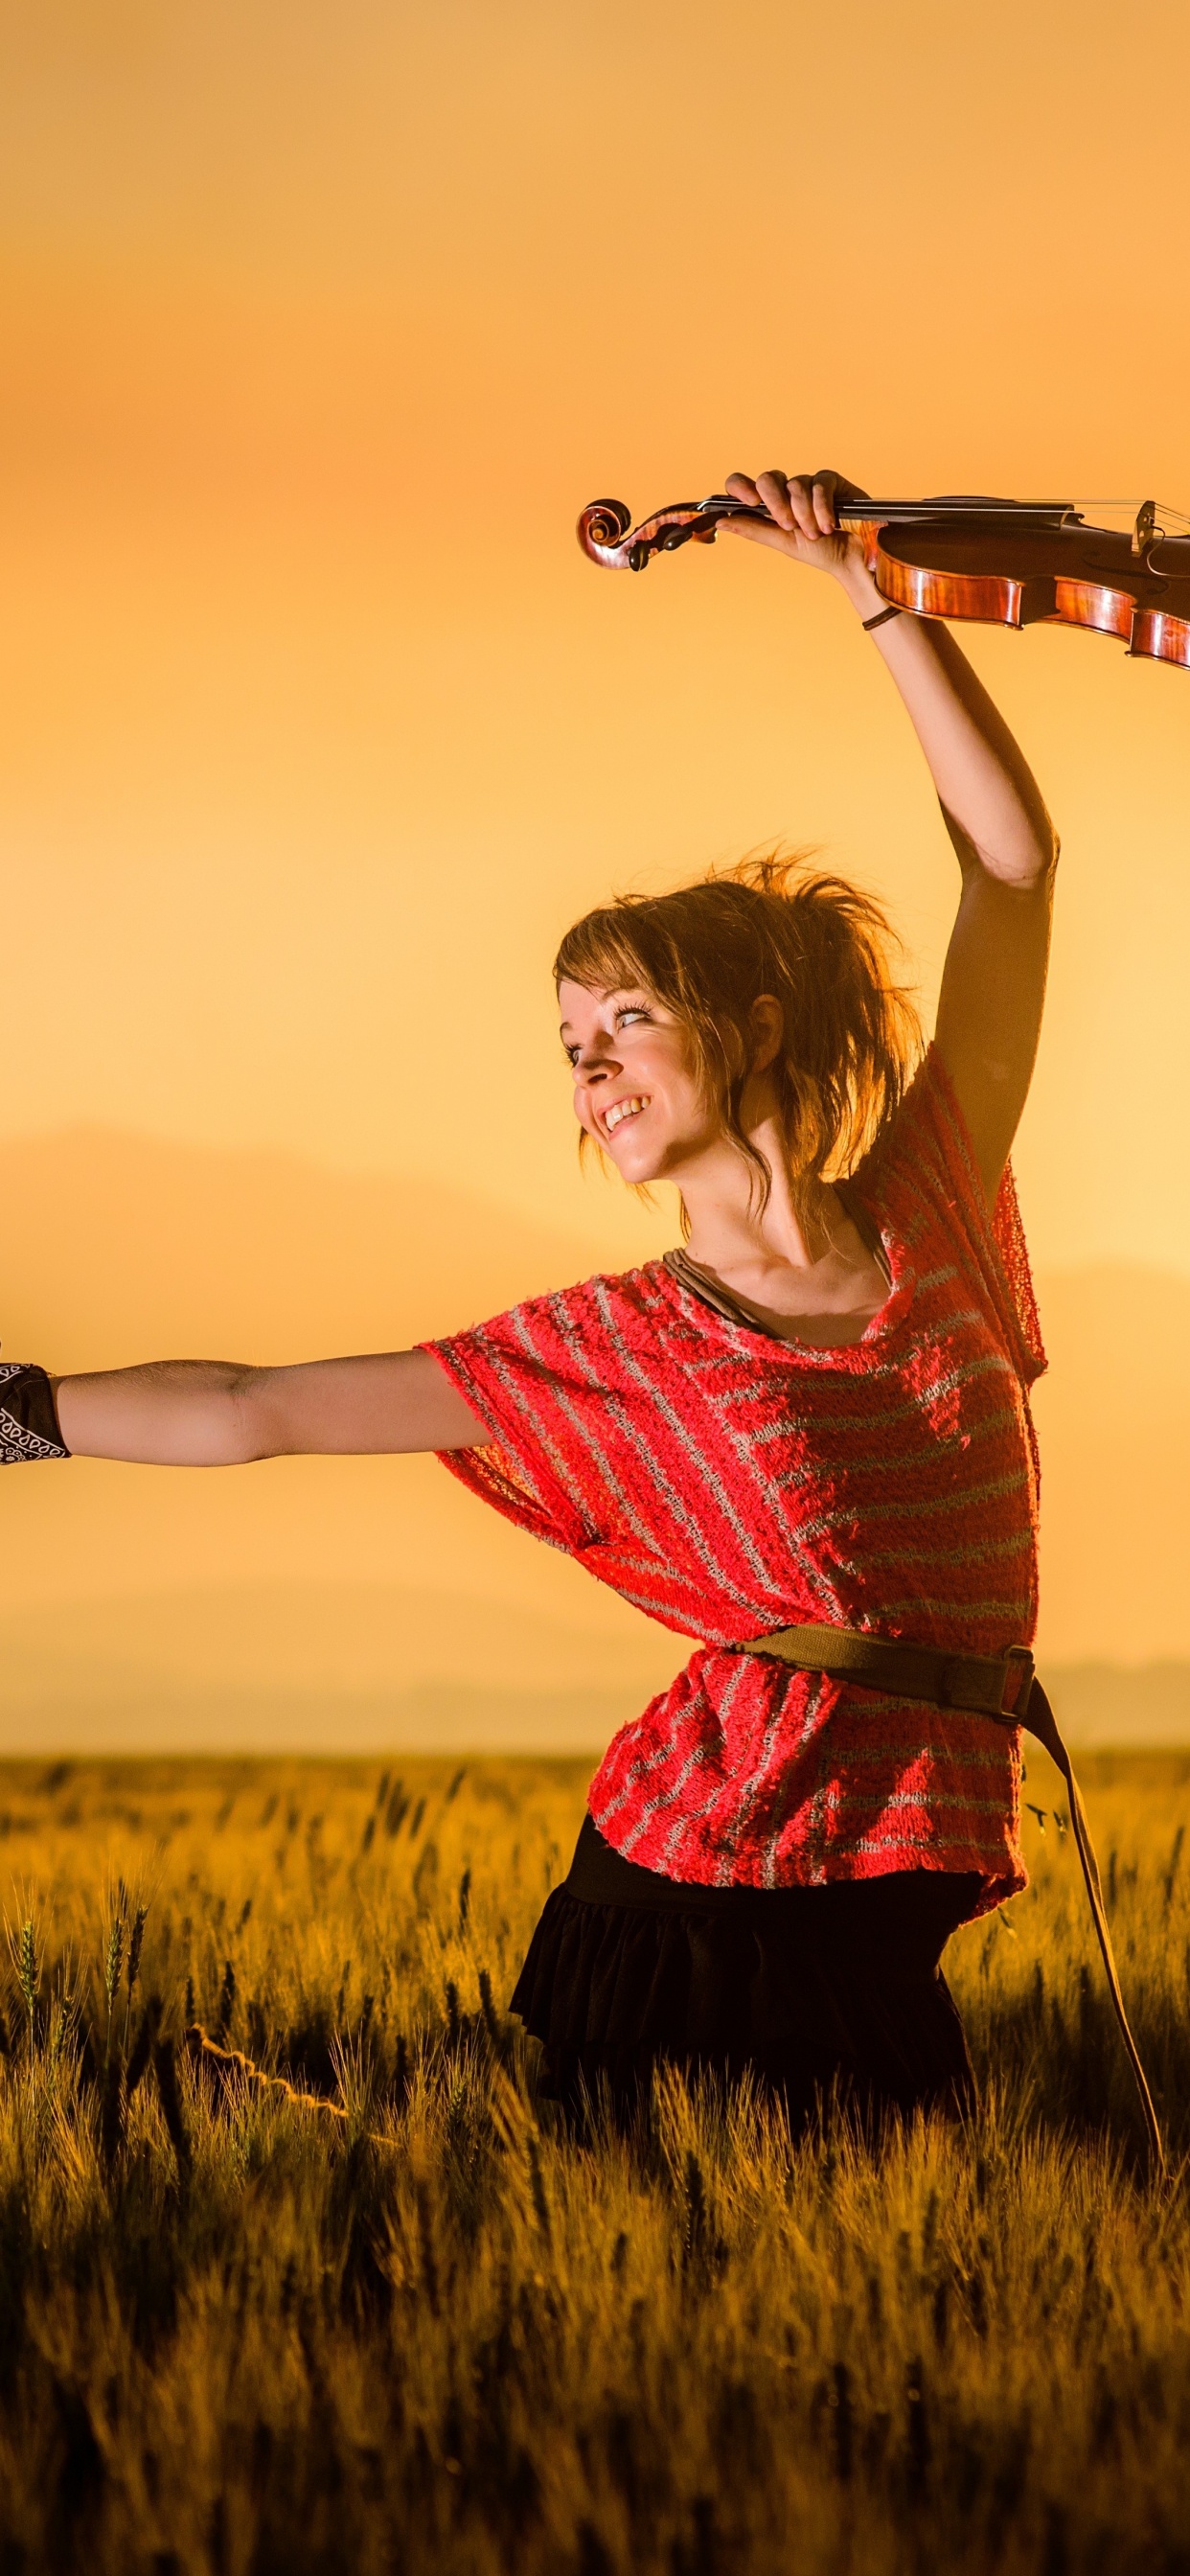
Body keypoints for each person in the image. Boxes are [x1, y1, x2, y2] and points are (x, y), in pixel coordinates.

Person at [3, 468, 1057, 2130]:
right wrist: (12, 1417)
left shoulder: (930, 1202)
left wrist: (870, 592)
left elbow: (1009, 871)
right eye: (570, 1051)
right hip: (710, 1880)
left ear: (755, 1024)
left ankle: (250, 2104)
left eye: (622, 1023)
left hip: (908, 1849)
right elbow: (253, 1408)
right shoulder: (613, 1348)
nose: (590, 1073)